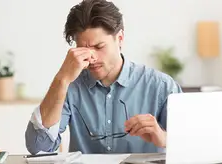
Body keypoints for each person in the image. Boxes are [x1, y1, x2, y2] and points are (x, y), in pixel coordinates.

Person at [25, 0, 182, 154]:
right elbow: (39, 148)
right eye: (82, 49)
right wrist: (62, 79)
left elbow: (194, 145)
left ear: (120, 39)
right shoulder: (70, 85)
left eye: (99, 47)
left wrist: (163, 138)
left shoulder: (161, 86)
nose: (91, 58)